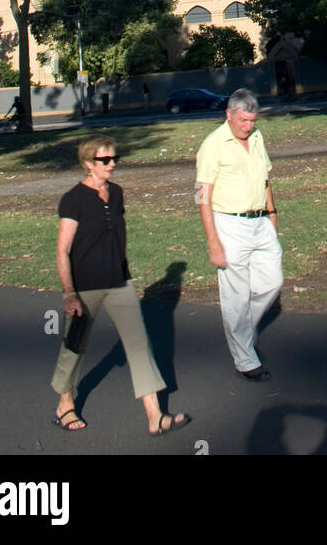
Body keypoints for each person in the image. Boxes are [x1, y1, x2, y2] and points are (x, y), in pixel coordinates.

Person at [51, 135, 190, 436]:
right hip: (84, 287)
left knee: (139, 345)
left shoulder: (116, 193)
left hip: (118, 282)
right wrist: (69, 293)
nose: (112, 164)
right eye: (105, 160)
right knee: (74, 346)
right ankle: (65, 403)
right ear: (88, 163)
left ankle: (156, 417)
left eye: (115, 159)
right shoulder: (73, 200)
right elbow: (62, 250)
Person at [196, 89, 282, 381]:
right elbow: (202, 197)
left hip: (260, 221)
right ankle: (245, 359)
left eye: (252, 121)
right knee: (235, 296)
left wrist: (273, 215)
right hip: (229, 224)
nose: (248, 126)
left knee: (272, 283)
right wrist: (213, 242)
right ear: (229, 115)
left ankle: (243, 330)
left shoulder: (257, 138)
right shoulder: (213, 145)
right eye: (243, 120)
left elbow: (266, 179)